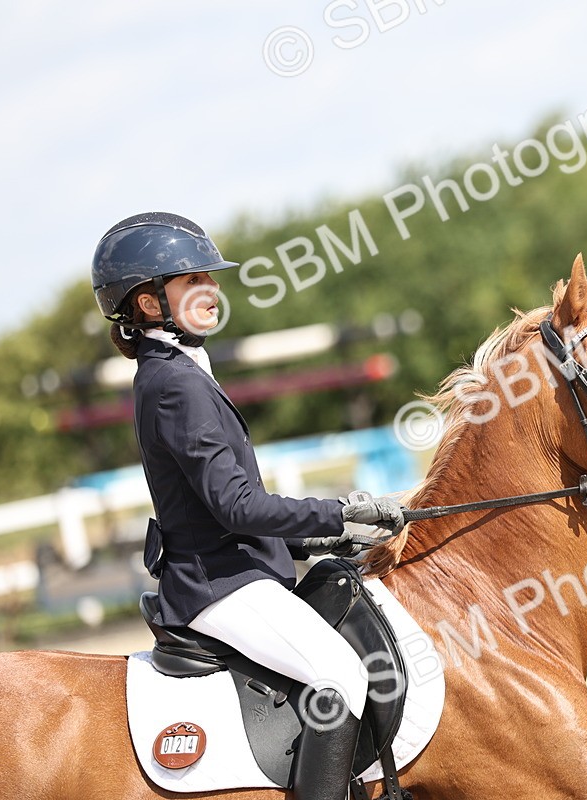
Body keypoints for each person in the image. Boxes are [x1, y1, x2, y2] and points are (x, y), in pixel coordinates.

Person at [92, 212, 403, 800]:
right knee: (341, 674)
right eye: (192, 280)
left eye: (210, 277)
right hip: (220, 585)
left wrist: (321, 538)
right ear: (149, 303)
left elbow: (210, 507)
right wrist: (339, 512)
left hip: (232, 567)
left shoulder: (177, 369)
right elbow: (236, 505)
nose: (211, 289)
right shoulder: (174, 383)